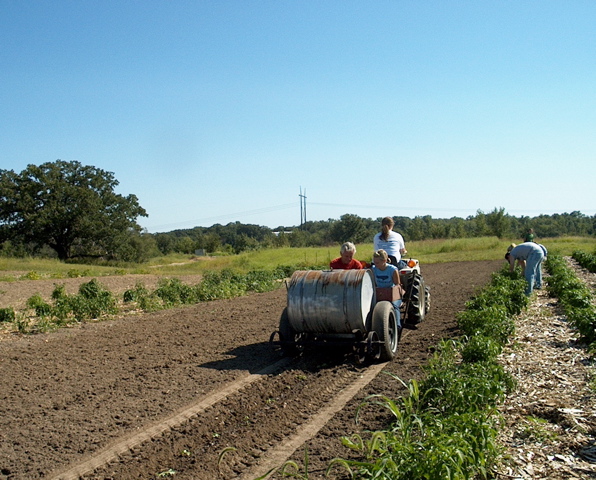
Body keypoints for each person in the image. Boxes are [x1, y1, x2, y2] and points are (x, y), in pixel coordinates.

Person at [371, 249, 403, 328]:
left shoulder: (392, 270)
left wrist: (392, 294)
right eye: (374, 262)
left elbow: (397, 285)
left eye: (377, 262)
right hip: (379, 293)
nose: (376, 264)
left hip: (391, 294)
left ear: (384, 260)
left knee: (394, 306)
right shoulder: (373, 269)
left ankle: (397, 325)